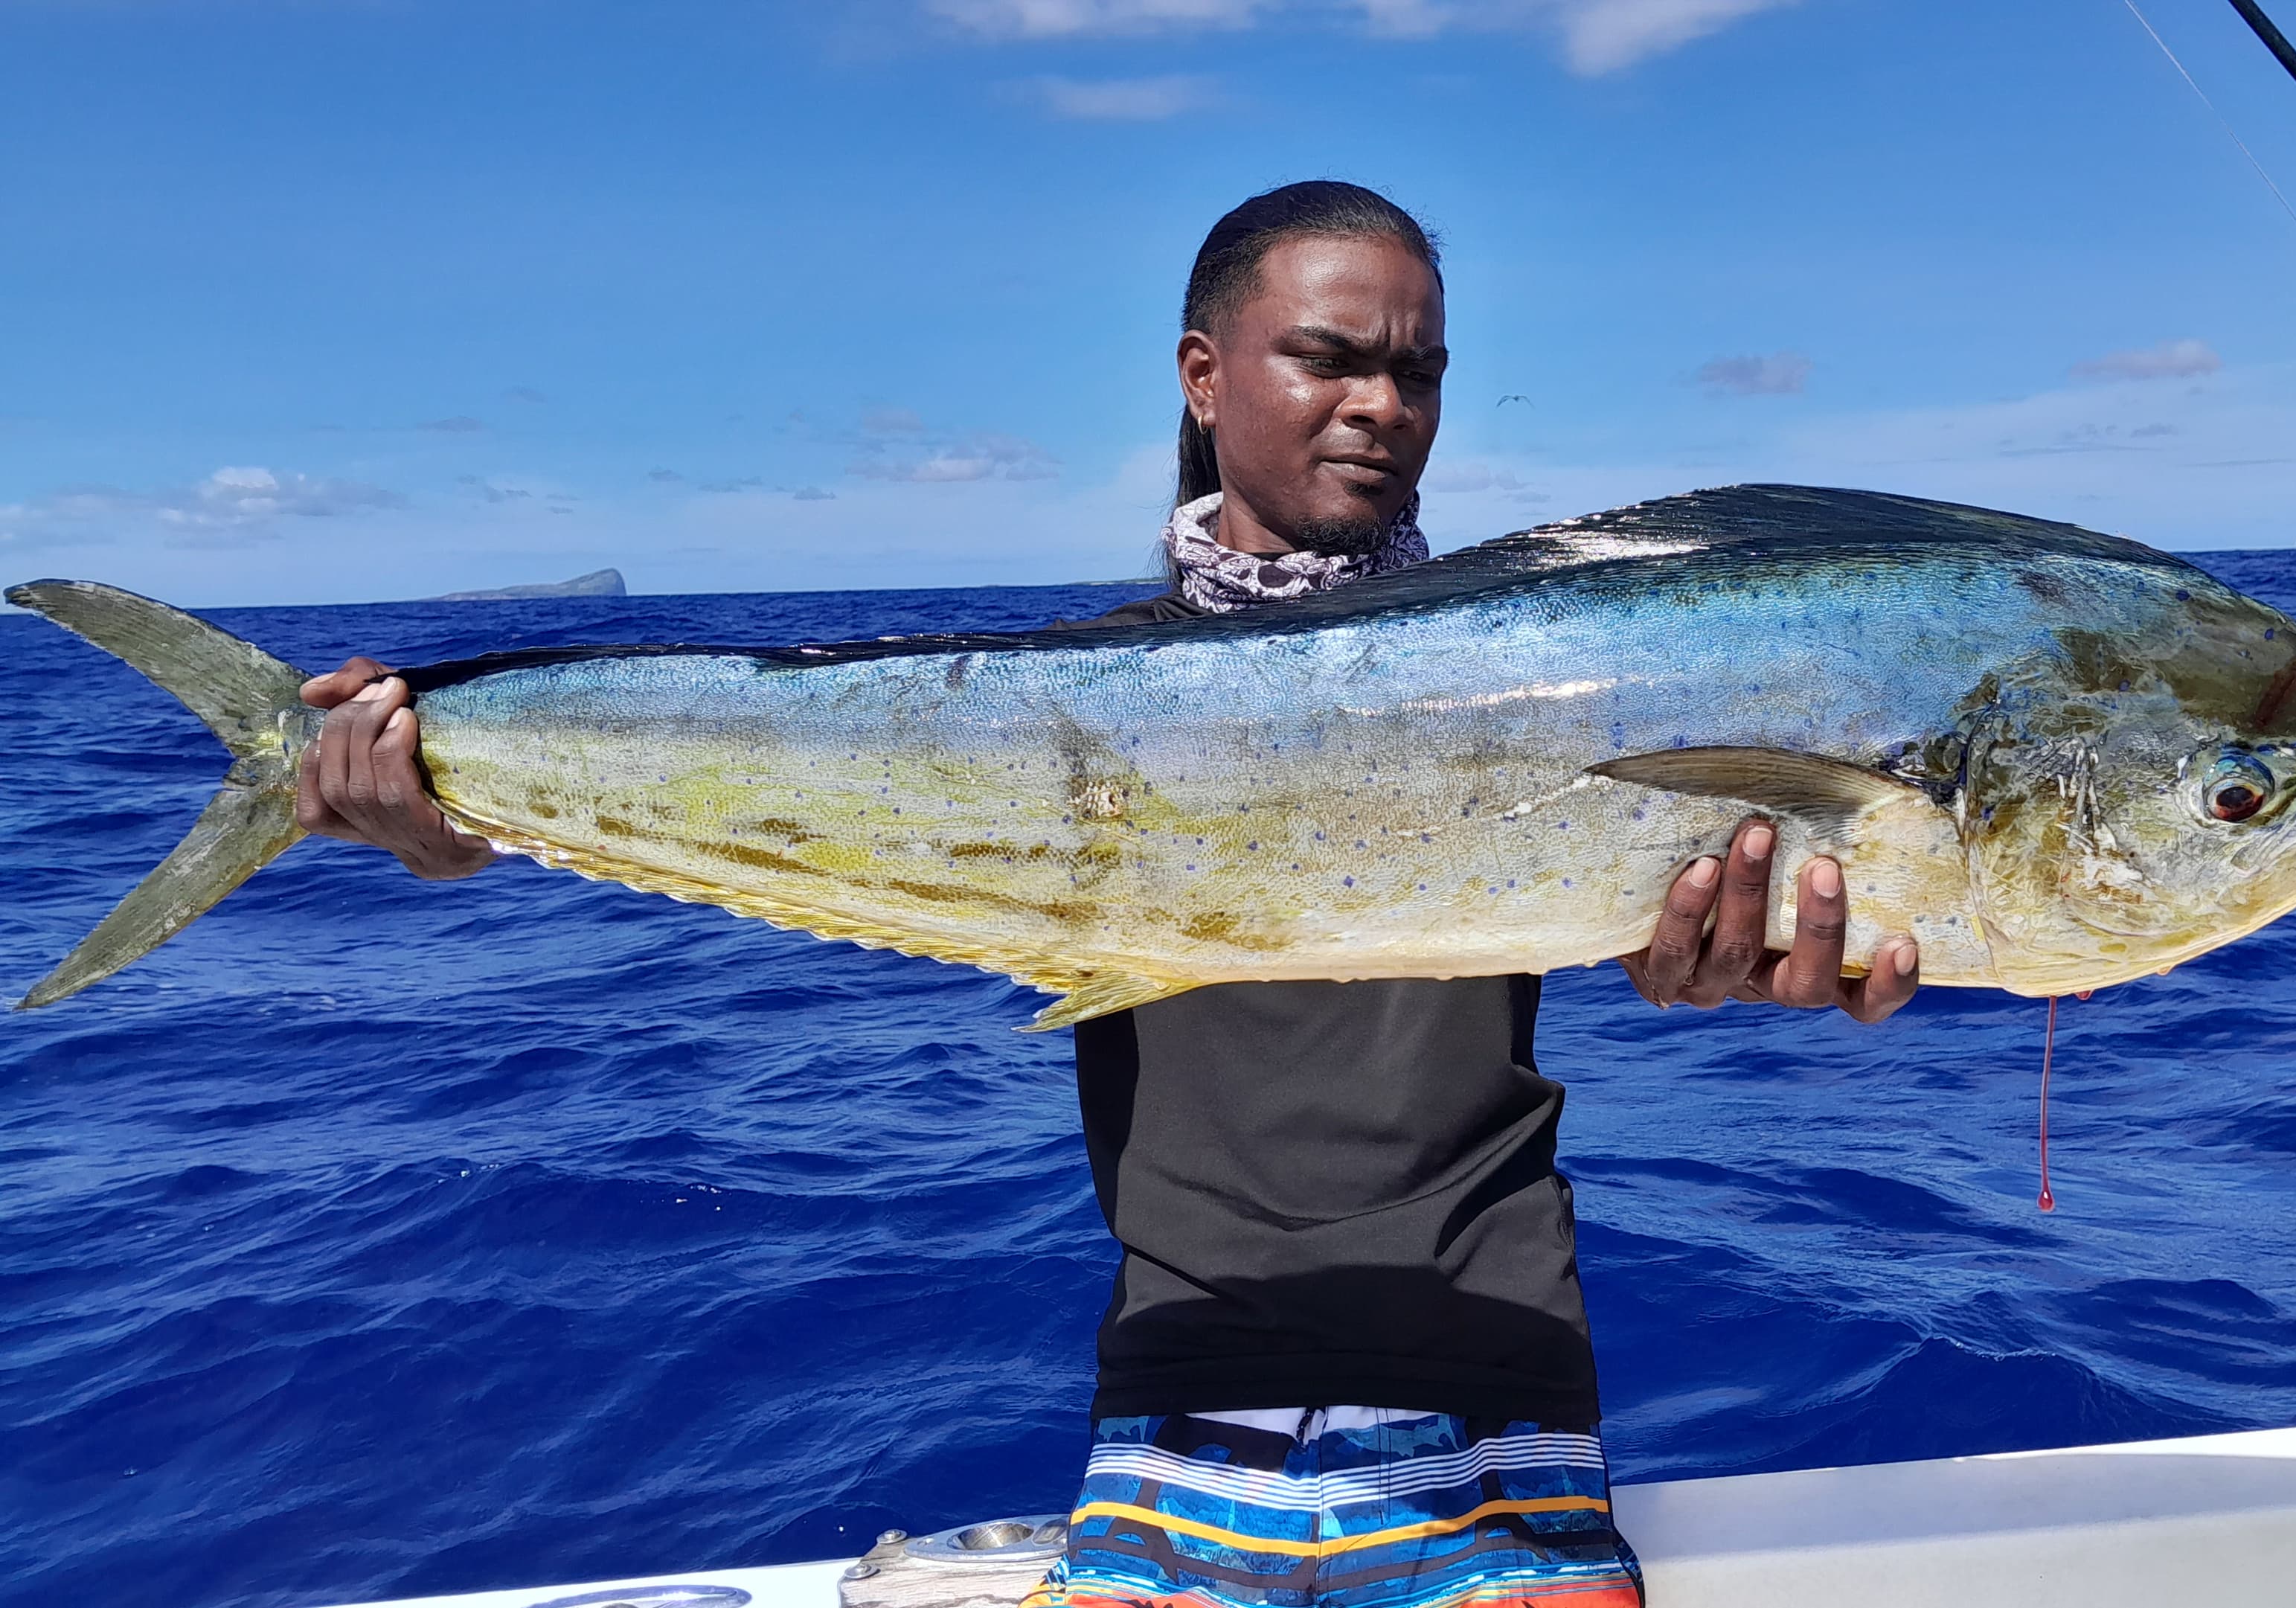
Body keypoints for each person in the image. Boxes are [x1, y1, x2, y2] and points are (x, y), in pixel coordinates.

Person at [296, 180, 1920, 1608]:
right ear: (1205, 377)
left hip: (1495, 1393)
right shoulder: (1070, 694)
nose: (1381, 405)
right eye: (1332, 359)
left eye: (1415, 371)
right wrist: (466, 815)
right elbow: (761, 804)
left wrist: (1746, 956)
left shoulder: (1559, 670)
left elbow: (1663, 933)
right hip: (1175, 1398)